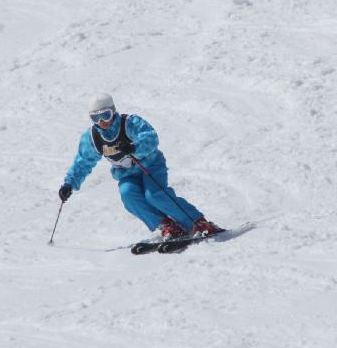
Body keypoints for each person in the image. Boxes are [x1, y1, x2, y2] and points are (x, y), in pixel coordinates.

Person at [58, 93, 222, 239]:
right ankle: (167, 225)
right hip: (126, 173)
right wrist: (69, 183)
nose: (102, 122)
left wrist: (134, 147)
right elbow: (83, 161)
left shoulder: (129, 123)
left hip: (150, 166)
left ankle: (197, 222)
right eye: (96, 118)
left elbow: (151, 138)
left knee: (154, 194)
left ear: (113, 111)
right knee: (128, 195)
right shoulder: (92, 137)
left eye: (105, 116)